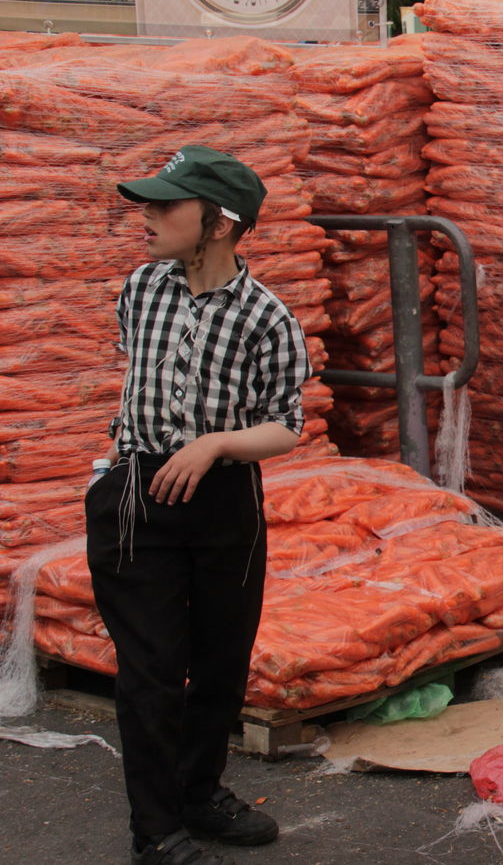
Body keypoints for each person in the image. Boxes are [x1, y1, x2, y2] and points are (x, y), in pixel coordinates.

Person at [86, 145, 311, 865]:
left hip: (223, 499)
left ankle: (198, 793)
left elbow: (287, 425)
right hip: (138, 498)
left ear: (220, 223)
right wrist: (123, 460)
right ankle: (155, 832)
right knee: (151, 670)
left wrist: (215, 444)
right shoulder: (141, 288)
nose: (146, 217)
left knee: (221, 660)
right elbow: (137, 375)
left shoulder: (266, 317)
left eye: (165, 205)